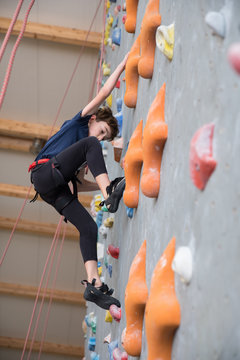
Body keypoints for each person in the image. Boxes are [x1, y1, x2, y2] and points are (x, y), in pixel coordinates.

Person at [28, 54, 128, 310]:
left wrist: (109, 183)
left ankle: (93, 284)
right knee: (91, 145)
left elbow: (79, 185)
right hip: (44, 174)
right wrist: (123, 63)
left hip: (55, 187)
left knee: (89, 228)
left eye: (106, 137)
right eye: (103, 130)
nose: (101, 137)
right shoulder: (80, 123)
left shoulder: (83, 154)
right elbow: (105, 90)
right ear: (94, 119)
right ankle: (109, 194)